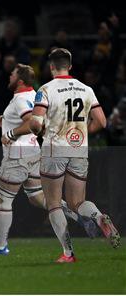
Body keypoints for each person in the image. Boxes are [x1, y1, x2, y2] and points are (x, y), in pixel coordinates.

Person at [0, 64, 97, 256]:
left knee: (3, 200)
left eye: (12, 74)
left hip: (17, 156)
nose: (8, 76)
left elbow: (32, 121)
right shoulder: (35, 95)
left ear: (19, 80)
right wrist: (6, 120)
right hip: (35, 153)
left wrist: (10, 132)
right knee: (39, 198)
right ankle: (81, 218)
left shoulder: (19, 100)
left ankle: (1, 246)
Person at [30, 48, 120, 263]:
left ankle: (68, 253)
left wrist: (39, 131)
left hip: (54, 150)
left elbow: (35, 122)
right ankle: (98, 216)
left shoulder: (46, 89)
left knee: (53, 203)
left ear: (51, 67)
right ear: (70, 66)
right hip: (79, 149)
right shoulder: (86, 89)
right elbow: (102, 121)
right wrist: (79, 134)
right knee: (77, 202)